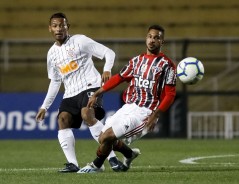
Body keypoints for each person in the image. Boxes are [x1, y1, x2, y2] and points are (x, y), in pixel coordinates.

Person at [77, 25, 177, 173]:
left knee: (108, 137)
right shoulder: (137, 61)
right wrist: (97, 93)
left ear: (162, 42)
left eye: (157, 37)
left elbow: (170, 95)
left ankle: (96, 166)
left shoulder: (168, 66)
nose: (152, 40)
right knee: (103, 138)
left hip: (146, 112)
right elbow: (118, 78)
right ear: (146, 38)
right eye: (150, 36)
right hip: (129, 107)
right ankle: (129, 154)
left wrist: (155, 114)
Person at [35, 12, 123, 173]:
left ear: (68, 27)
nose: (59, 28)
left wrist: (107, 69)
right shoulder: (51, 54)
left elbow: (109, 53)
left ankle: (112, 158)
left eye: (62, 25)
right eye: (55, 26)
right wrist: (44, 107)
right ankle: (72, 164)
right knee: (63, 119)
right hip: (71, 93)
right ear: (50, 28)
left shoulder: (80, 41)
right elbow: (55, 81)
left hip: (91, 85)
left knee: (87, 114)